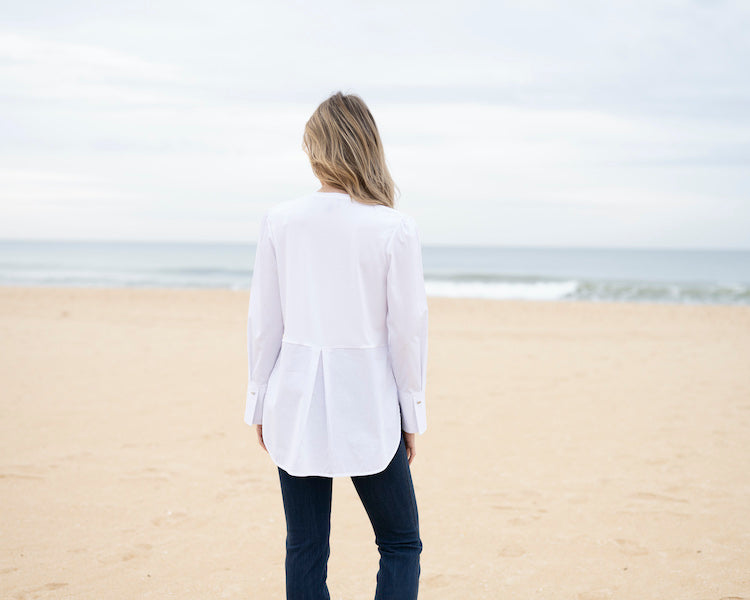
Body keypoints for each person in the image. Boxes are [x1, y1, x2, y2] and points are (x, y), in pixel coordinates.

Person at [244, 90, 429, 600]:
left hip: (294, 399)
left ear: (317, 149)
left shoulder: (280, 220)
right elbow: (407, 332)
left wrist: (258, 400)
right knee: (400, 543)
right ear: (367, 147)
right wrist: (411, 414)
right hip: (369, 402)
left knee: (305, 546)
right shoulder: (394, 228)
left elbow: (264, 323)